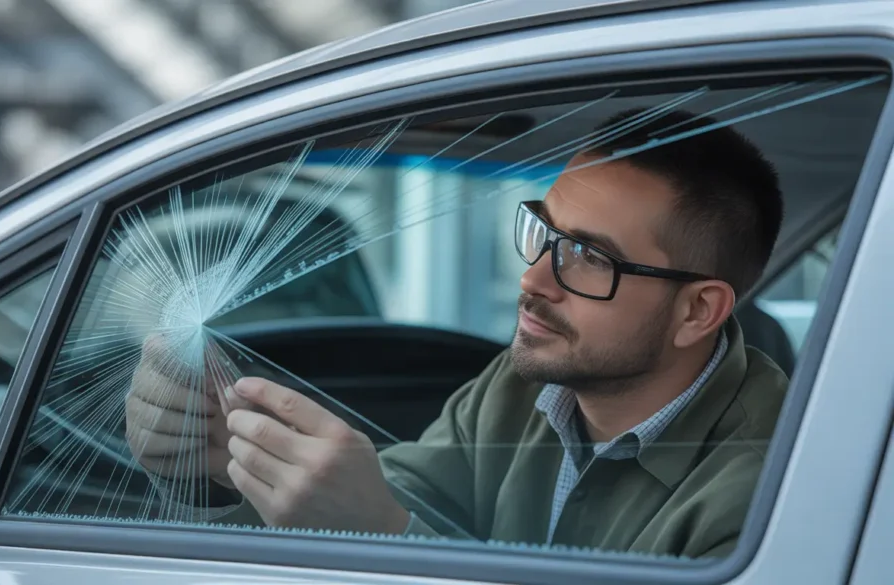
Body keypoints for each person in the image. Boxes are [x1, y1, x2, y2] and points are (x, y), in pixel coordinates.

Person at [124, 107, 790, 558]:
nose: (534, 281)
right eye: (544, 232)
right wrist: (221, 470)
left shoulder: (773, 488)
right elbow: (387, 500)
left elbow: (381, 518)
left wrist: (387, 535)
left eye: (587, 256)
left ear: (698, 311)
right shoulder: (525, 386)